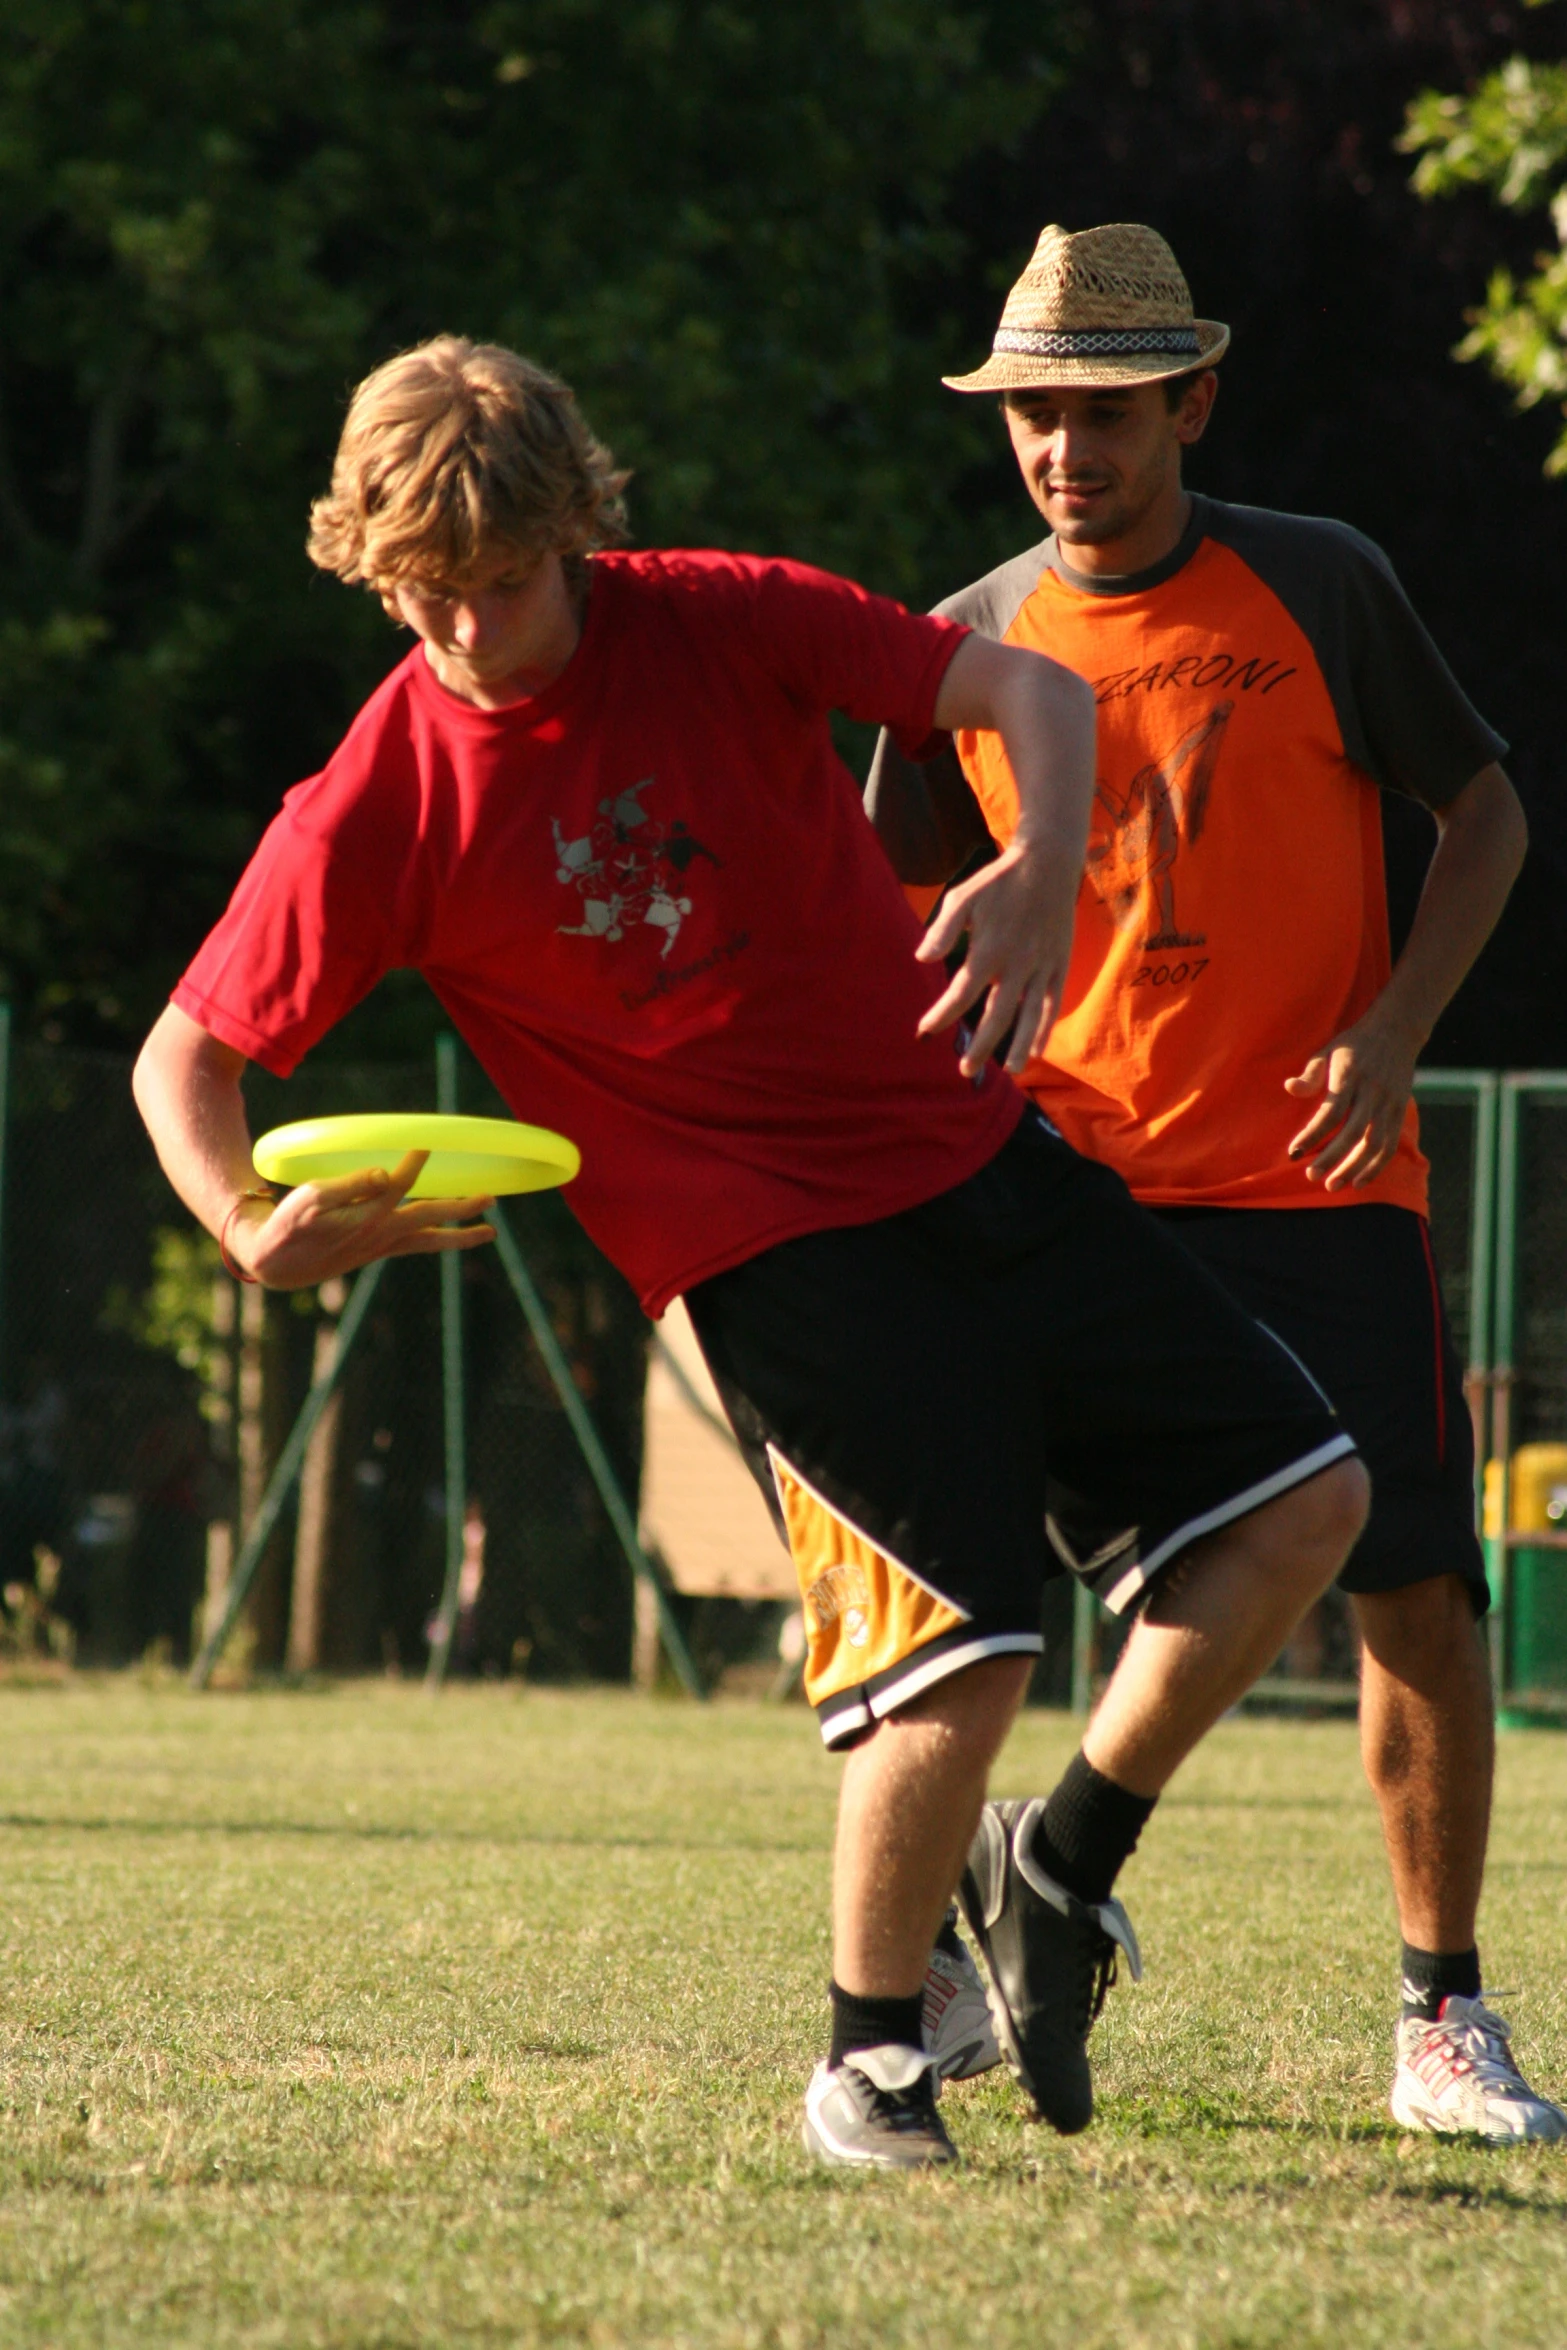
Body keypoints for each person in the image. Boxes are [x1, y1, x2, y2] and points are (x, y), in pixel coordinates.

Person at [133, 334, 1368, 2169]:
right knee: (959, 1656)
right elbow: (189, 1055)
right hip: (768, 1244)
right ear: (378, 576)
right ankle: (868, 2060)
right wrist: (250, 1228)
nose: (470, 631)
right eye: (426, 597)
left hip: (973, 1142)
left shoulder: (717, 615)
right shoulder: (382, 792)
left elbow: (1022, 689)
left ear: (576, 526)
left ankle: (1060, 1861)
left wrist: (1037, 869)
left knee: (1305, 1504)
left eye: (503, 581)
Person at [868, 221, 1563, 2142]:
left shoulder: (1323, 583)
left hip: (1322, 1184)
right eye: (1030, 416)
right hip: (1066, 1194)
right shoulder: (964, 644)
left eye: (1100, 410)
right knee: (986, 1603)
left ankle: (1438, 2015)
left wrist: (1402, 1023)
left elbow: (1484, 807)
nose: (1063, 450)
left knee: (1415, 1591)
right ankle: (943, 1958)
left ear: (1191, 398)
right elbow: (893, 929)